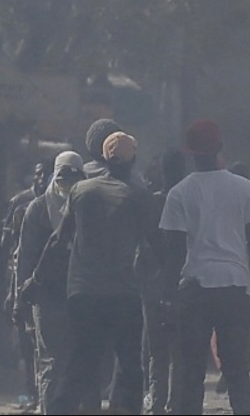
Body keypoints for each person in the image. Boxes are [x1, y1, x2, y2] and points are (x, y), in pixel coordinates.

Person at [24, 133, 155, 415]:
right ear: (132, 160)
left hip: (84, 295)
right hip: (124, 295)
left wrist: (35, 280)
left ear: (104, 158)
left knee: (77, 367)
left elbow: (58, 242)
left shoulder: (81, 191)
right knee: (131, 368)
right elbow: (154, 245)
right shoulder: (138, 196)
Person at [159, 119, 250, 415]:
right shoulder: (244, 188)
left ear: (190, 153)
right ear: (219, 148)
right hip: (234, 287)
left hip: (195, 288)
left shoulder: (179, 193)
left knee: (190, 373)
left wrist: (167, 297)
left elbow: (175, 251)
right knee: (236, 372)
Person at [14, 152, 95, 414]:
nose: (67, 185)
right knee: (53, 366)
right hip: (51, 299)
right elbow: (25, 257)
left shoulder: (86, 208)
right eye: (63, 179)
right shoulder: (37, 209)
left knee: (76, 365)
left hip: (78, 298)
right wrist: (20, 301)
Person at [2, 159, 51, 410]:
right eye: (39, 174)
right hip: (19, 280)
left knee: (42, 344)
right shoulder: (20, 203)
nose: (42, 179)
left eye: (47, 174)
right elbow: (7, 246)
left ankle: (42, 395)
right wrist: (10, 287)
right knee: (24, 340)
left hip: (46, 283)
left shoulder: (59, 204)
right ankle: (32, 392)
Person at [142, 149, 186, 415]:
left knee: (156, 352)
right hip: (184, 284)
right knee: (179, 352)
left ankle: (157, 404)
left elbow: (143, 245)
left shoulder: (152, 203)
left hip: (153, 285)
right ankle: (176, 404)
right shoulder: (189, 201)